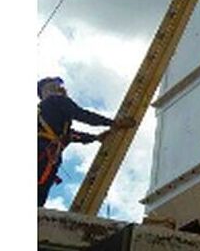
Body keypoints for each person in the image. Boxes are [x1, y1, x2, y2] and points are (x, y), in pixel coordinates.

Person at [37, 76, 135, 207]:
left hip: (46, 153)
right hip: (43, 153)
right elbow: (81, 115)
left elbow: (70, 135)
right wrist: (113, 123)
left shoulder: (46, 111)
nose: (59, 89)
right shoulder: (56, 100)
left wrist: (94, 138)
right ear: (46, 91)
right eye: (53, 86)